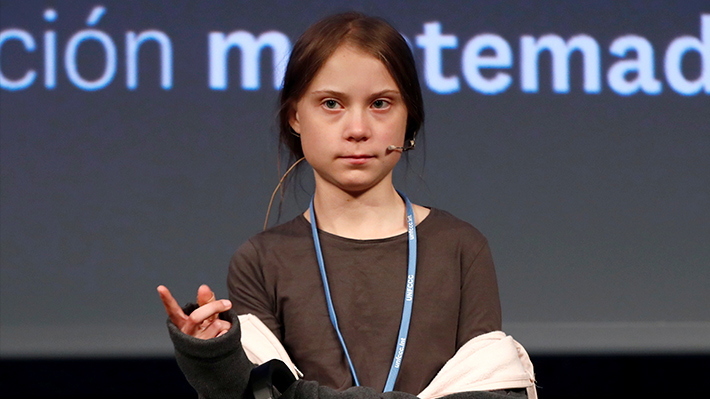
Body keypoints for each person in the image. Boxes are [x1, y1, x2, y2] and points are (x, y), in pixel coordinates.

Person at [158, 12, 534, 399]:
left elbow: (489, 391)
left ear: (410, 119)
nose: (357, 129)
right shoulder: (261, 260)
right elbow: (262, 393)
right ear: (295, 116)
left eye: (381, 103)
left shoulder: (460, 247)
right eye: (332, 103)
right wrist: (215, 359)